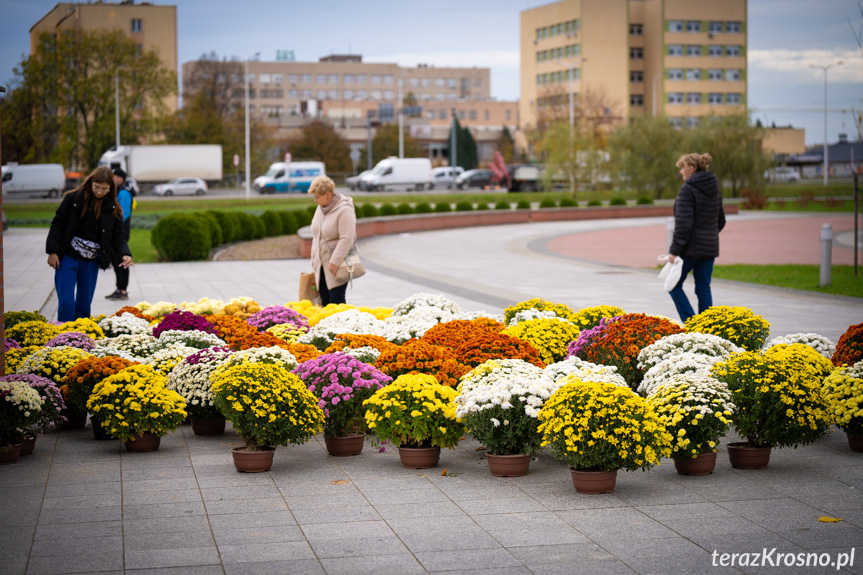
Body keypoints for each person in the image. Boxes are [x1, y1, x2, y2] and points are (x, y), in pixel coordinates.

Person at [46, 166, 133, 322]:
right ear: (90, 182)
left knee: (83, 305)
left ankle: (80, 339)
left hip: (90, 262)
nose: (99, 192)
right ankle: (62, 337)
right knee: (66, 302)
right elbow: (57, 224)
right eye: (96, 187)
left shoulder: (113, 207)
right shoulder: (72, 199)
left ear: (110, 188)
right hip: (67, 257)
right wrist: (52, 251)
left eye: (104, 189)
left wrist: (125, 253)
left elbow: (118, 236)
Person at [667, 152, 726, 323]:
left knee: (673, 285)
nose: (680, 172)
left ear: (691, 168)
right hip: (709, 249)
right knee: (703, 288)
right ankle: (707, 329)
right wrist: (708, 236)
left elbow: (683, 225)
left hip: (690, 249)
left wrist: (674, 252)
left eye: (682, 168)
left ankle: (692, 325)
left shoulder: (688, 189)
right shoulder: (714, 188)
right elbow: (720, 221)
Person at [308, 175, 356, 306]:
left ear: (328, 195)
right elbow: (316, 234)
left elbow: (347, 238)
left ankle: (343, 326)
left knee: (336, 301)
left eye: (317, 197)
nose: (315, 201)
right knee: (324, 301)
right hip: (321, 265)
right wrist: (314, 259)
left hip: (338, 265)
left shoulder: (344, 210)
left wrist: (334, 262)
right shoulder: (321, 208)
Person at [105, 167, 133, 300]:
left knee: (121, 261)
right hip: (115, 232)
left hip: (120, 234)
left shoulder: (124, 193)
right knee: (116, 262)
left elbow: (123, 214)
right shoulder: (117, 192)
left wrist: (114, 226)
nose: (112, 178)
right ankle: (119, 288)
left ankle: (123, 290)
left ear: (120, 178)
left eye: (114, 176)